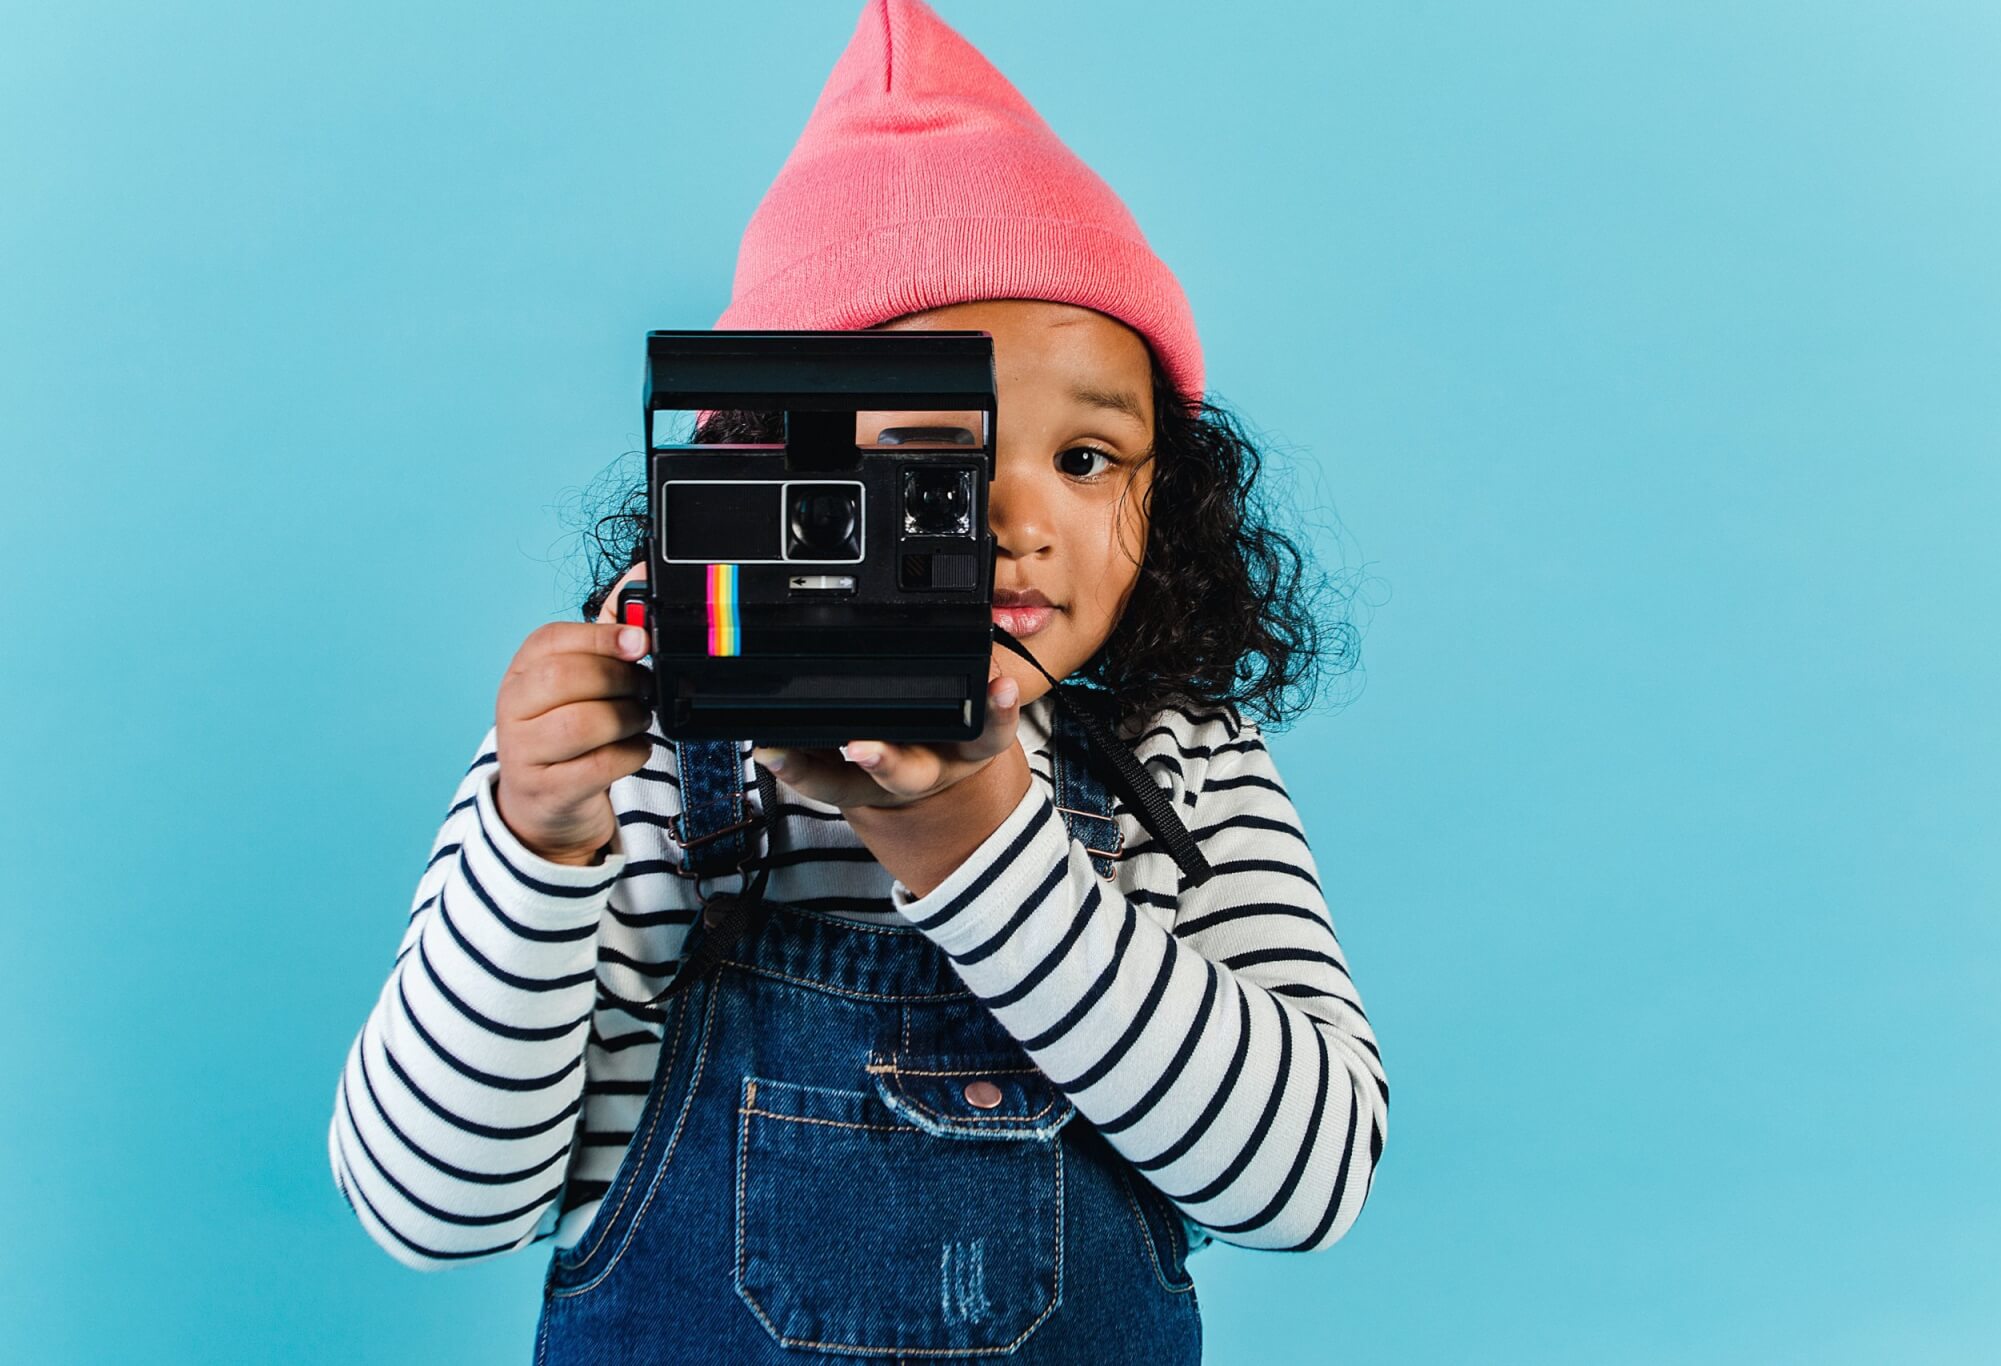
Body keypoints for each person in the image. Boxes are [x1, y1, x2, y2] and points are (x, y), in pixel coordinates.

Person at [328, 2, 1388, 1360]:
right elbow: (433, 1206)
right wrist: (539, 849)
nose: (1018, 514)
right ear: (773, 472)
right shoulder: (636, 762)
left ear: (1164, 498)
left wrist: (972, 846)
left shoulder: (1184, 756)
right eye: (939, 449)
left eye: (1086, 458)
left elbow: (1312, 1179)